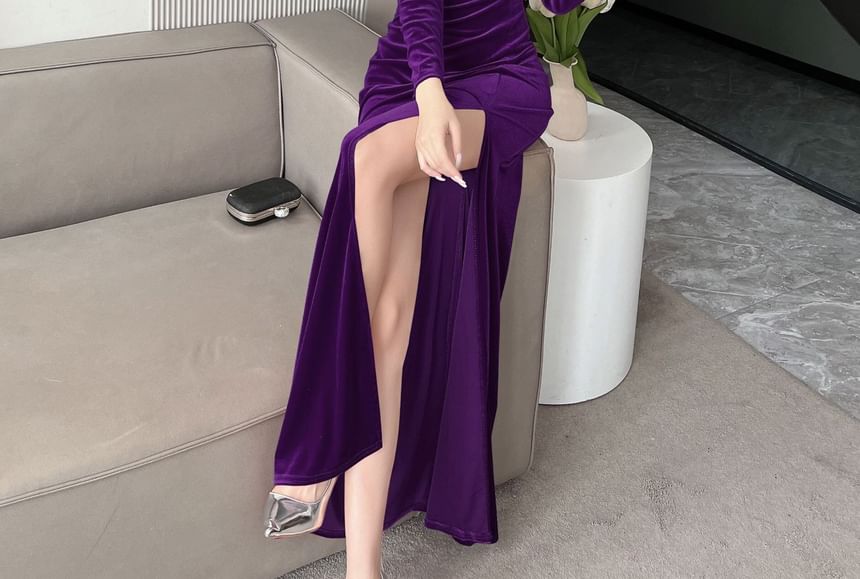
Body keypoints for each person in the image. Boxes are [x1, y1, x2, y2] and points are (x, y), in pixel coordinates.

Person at [263, 0, 585, 577]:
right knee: (386, 325)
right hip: (408, 79)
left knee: (365, 154)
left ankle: (320, 434)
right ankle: (364, 570)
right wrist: (431, 95)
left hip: (501, 80)